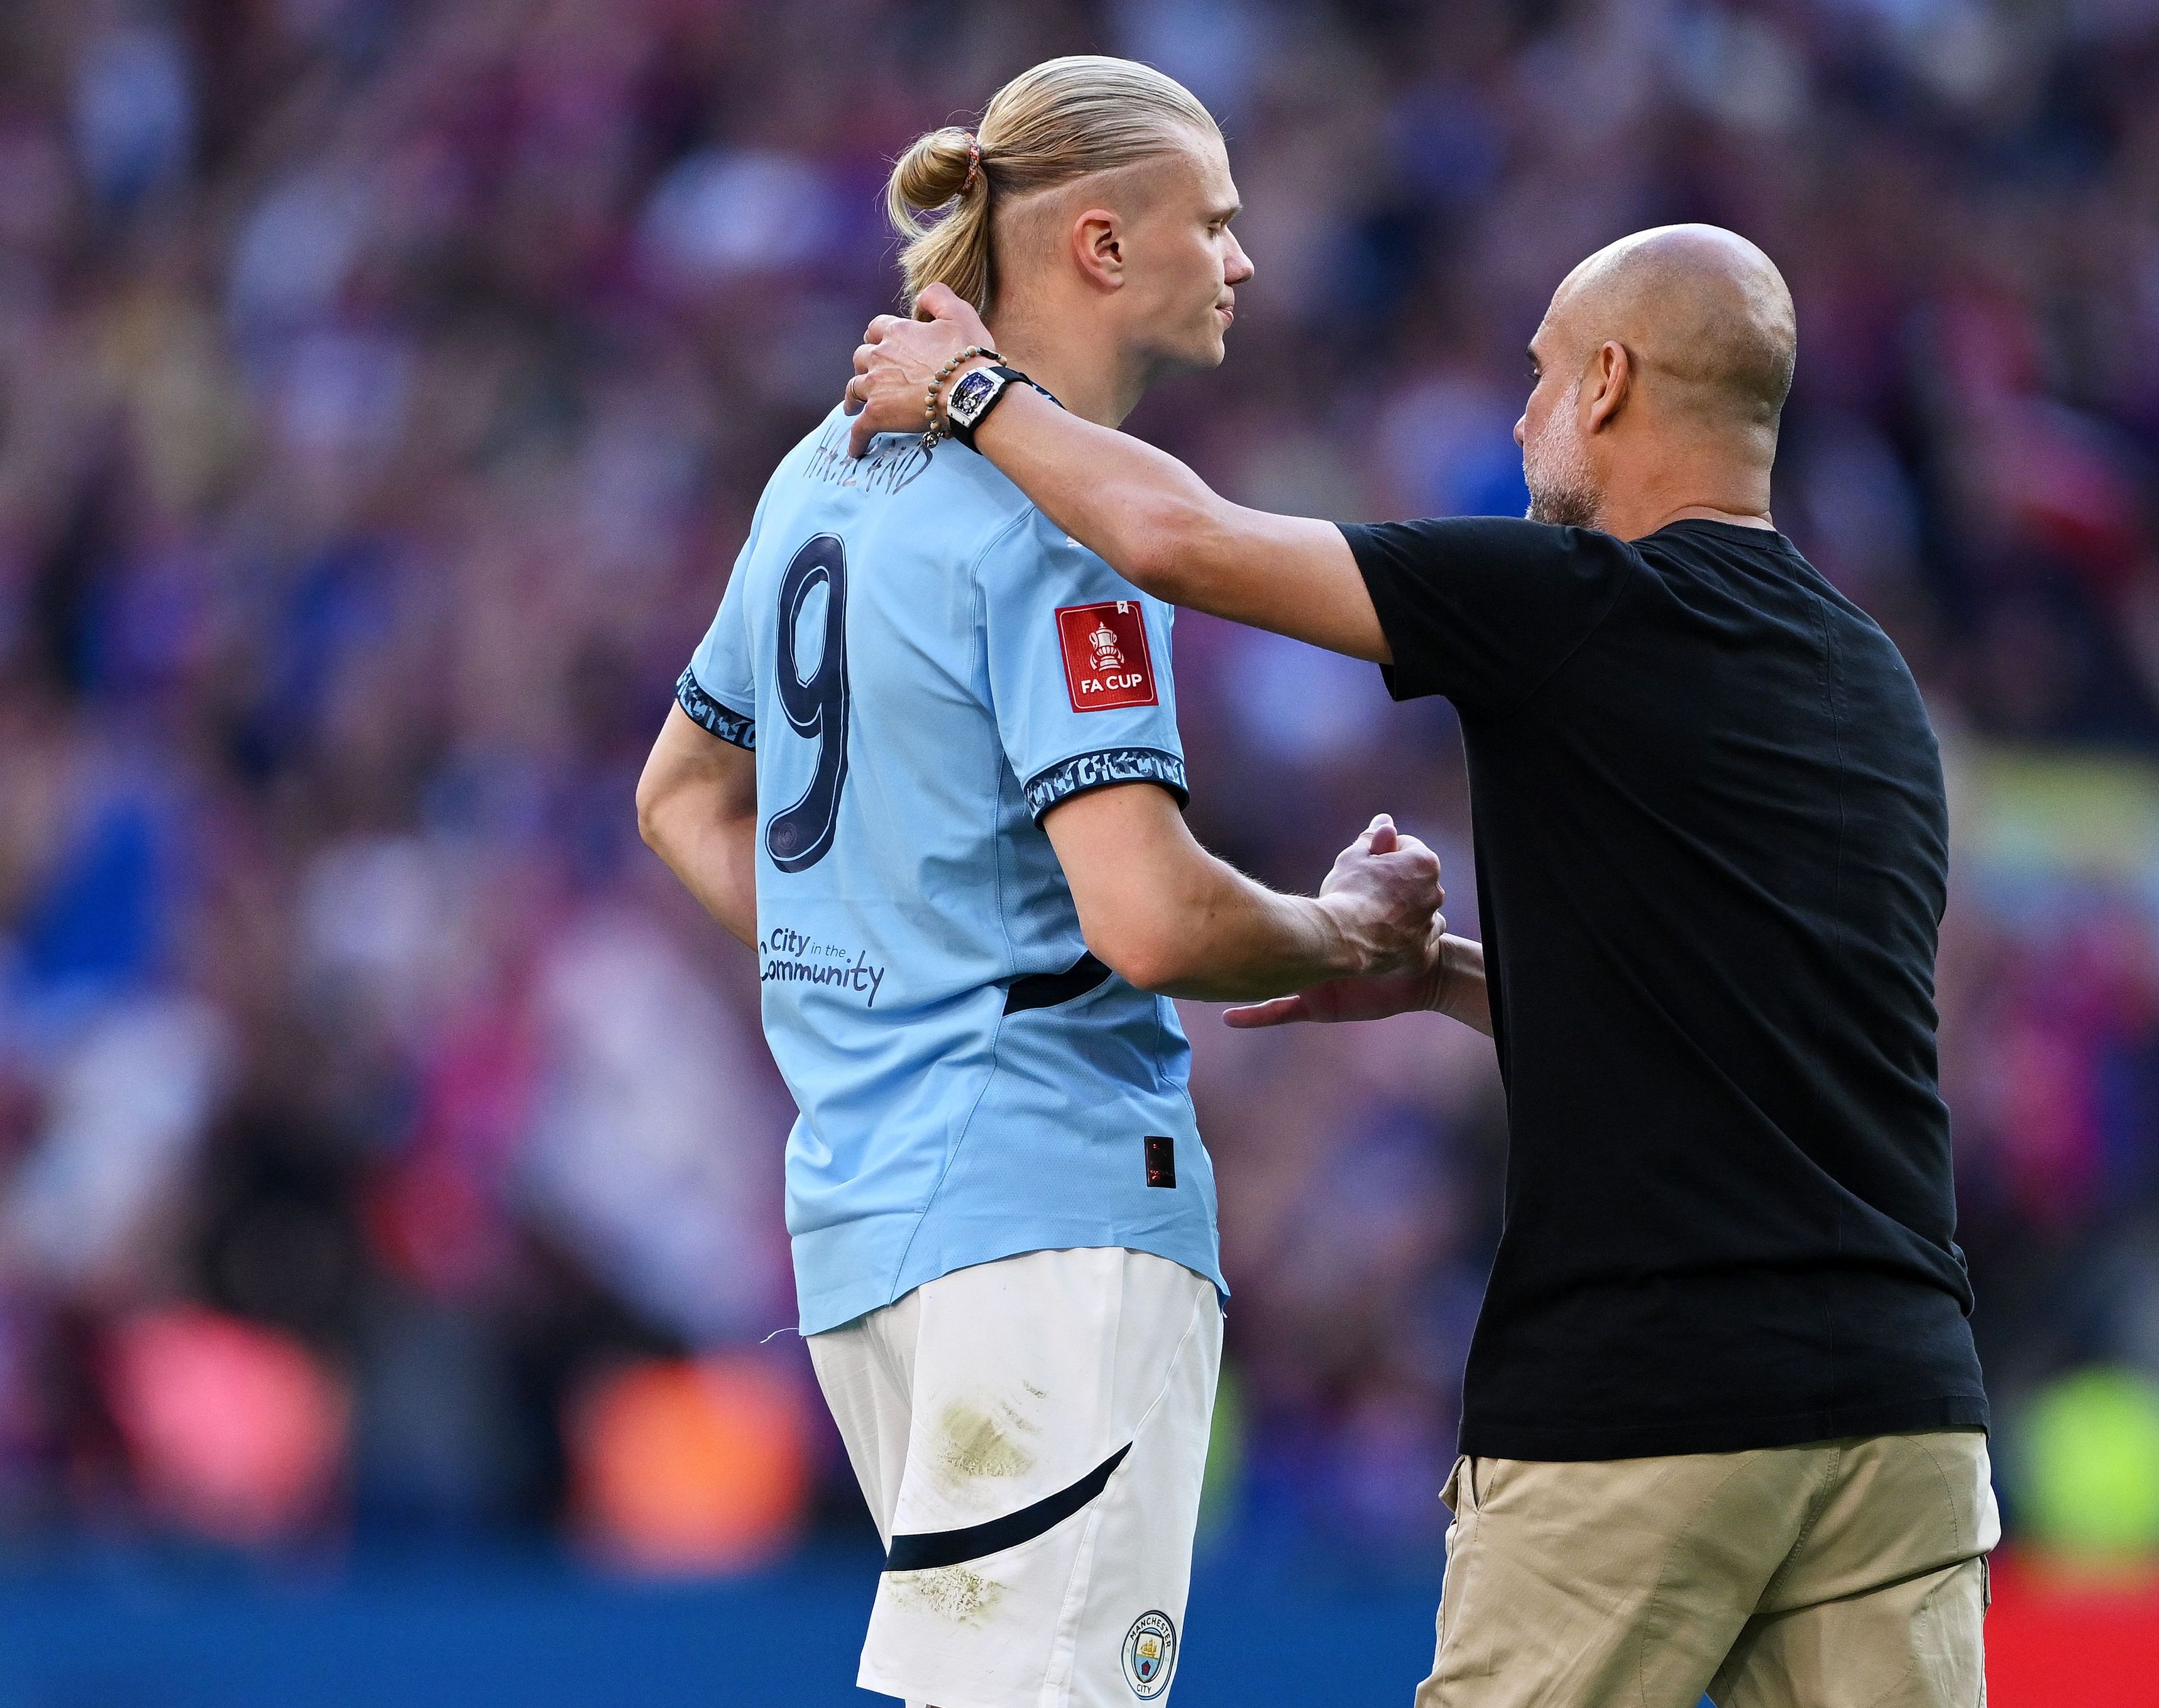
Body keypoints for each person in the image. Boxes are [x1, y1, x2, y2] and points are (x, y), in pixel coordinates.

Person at [844, 221, 1996, 1708]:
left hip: (1646, 1396)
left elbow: (1181, 542)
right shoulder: (1872, 681)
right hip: (1904, 1417)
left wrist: (977, 389)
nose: (1516, 418)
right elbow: (1757, 1033)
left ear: (1607, 381)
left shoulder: (1573, 605)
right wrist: (1446, 973)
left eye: (1531, 378)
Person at [632, 57, 1444, 1708]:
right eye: (1212, 222)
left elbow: (680, 799)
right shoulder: (1067, 521)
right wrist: (1343, 931)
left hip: (863, 1223)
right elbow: (1145, 915)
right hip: (1049, 1210)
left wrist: (877, 974)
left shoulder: (817, 471)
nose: (1242, 259)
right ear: (1095, 243)